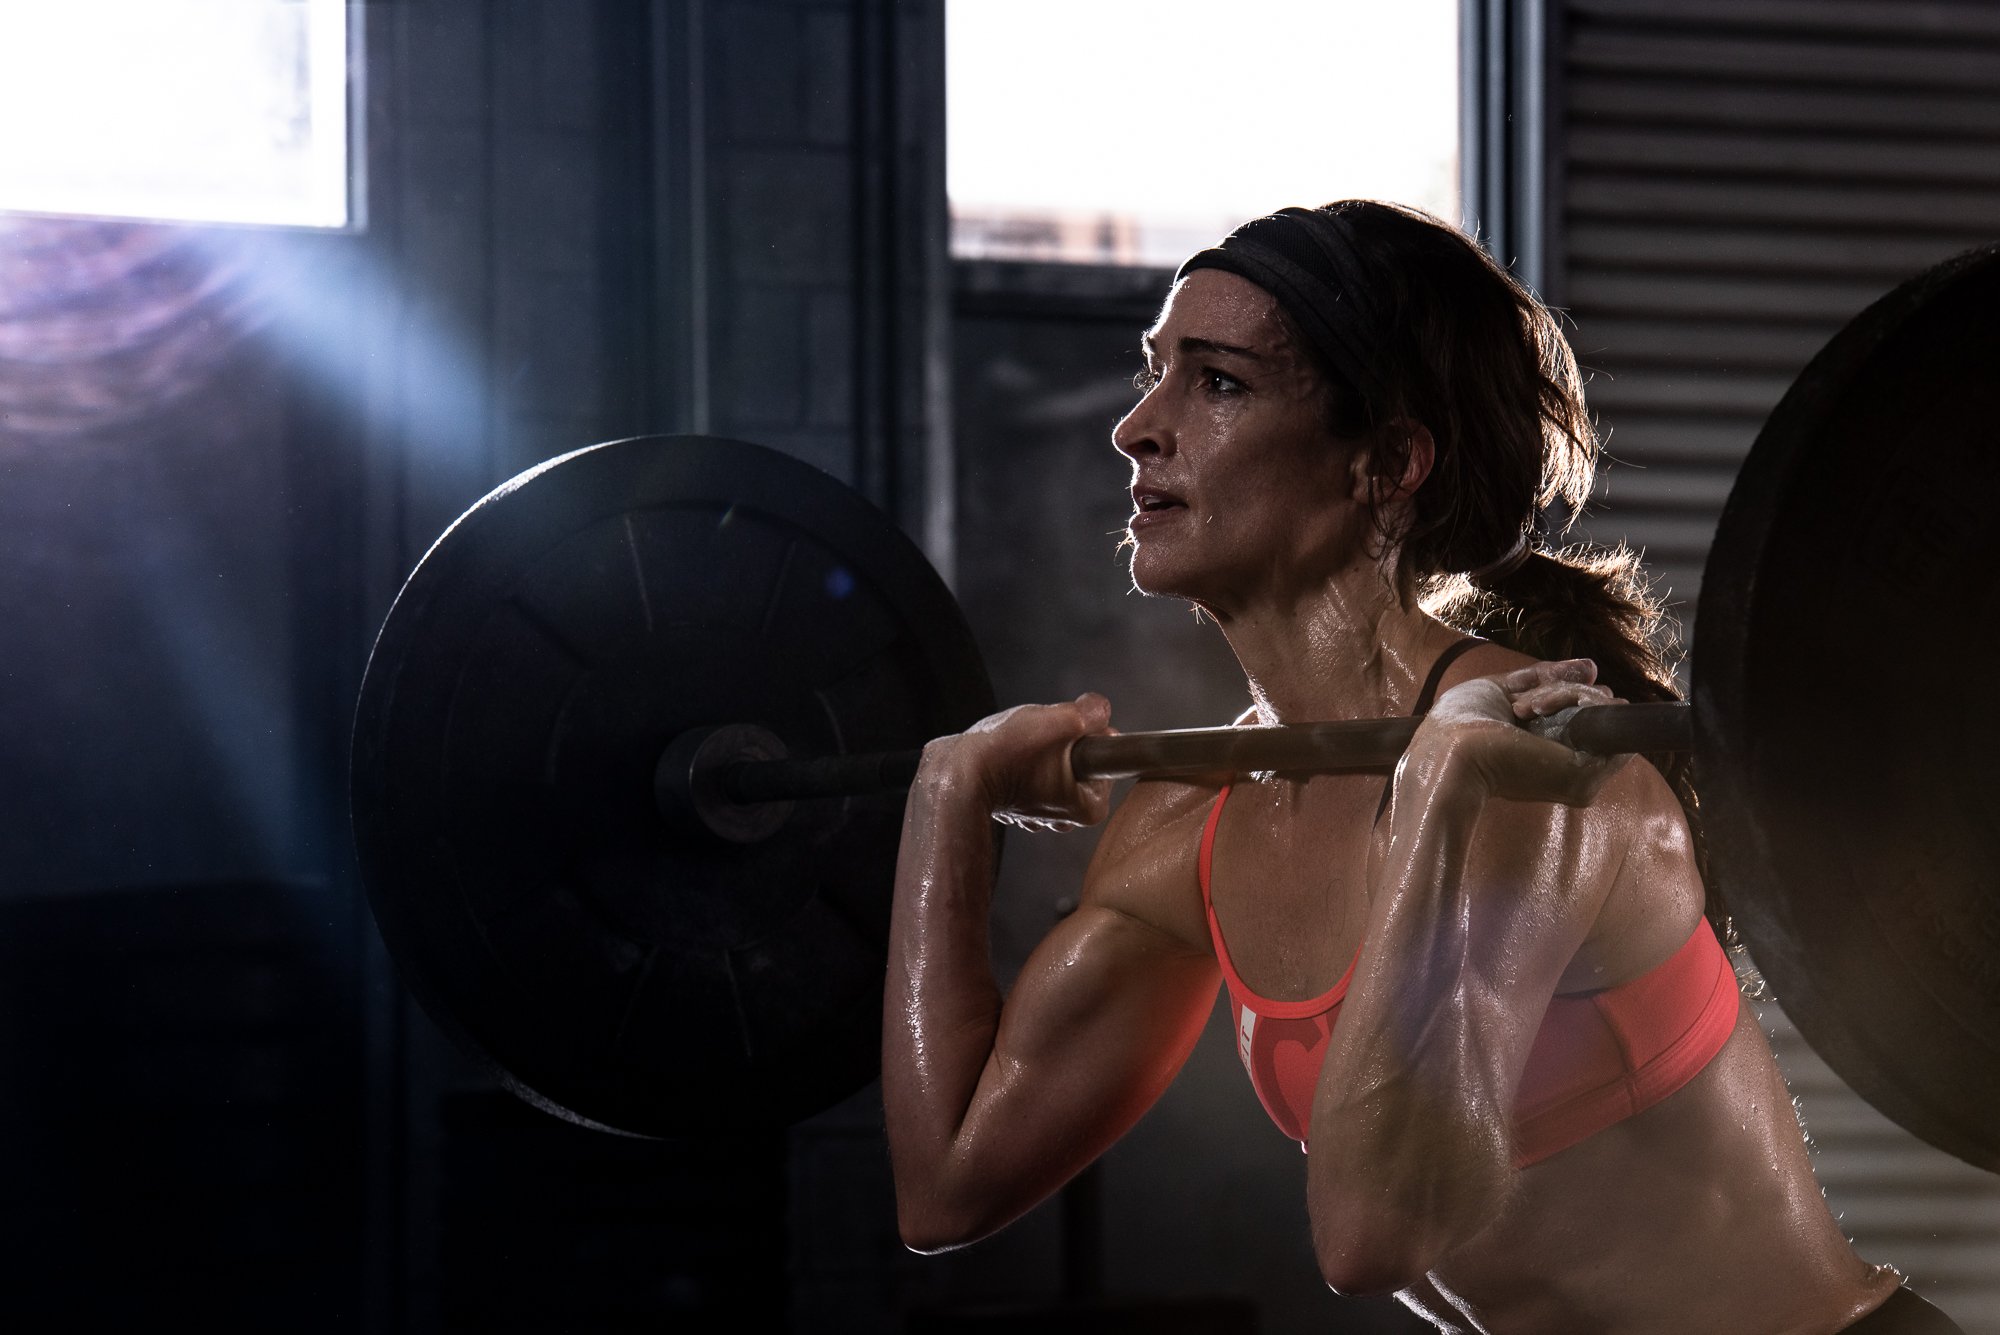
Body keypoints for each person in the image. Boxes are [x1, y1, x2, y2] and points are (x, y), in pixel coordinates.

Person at [881, 201, 1961, 1333]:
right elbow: (946, 1188)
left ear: (1386, 461)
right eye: (1153, 374)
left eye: (1217, 383)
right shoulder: (1185, 826)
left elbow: (1370, 1236)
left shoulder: (1540, 778)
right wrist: (942, 803)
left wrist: (1444, 788)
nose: (1137, 428)